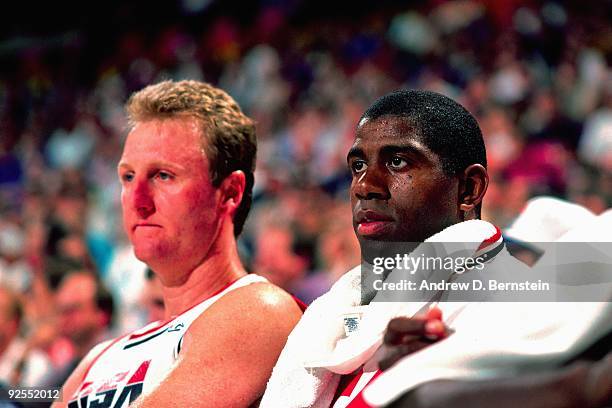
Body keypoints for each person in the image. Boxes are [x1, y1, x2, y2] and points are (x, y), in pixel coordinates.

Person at [261, 90, 612, 407]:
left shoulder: (509, 299)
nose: (364, 186)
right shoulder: (332, 315)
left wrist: (418, 380)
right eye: (358, 165)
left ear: (469, 189)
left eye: (398, 162)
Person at [53, 80, 303, 408]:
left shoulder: (259, 310)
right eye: (128, 177)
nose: (136, 201)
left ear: (230, 192)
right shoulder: (100, 357)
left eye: (162, 176)